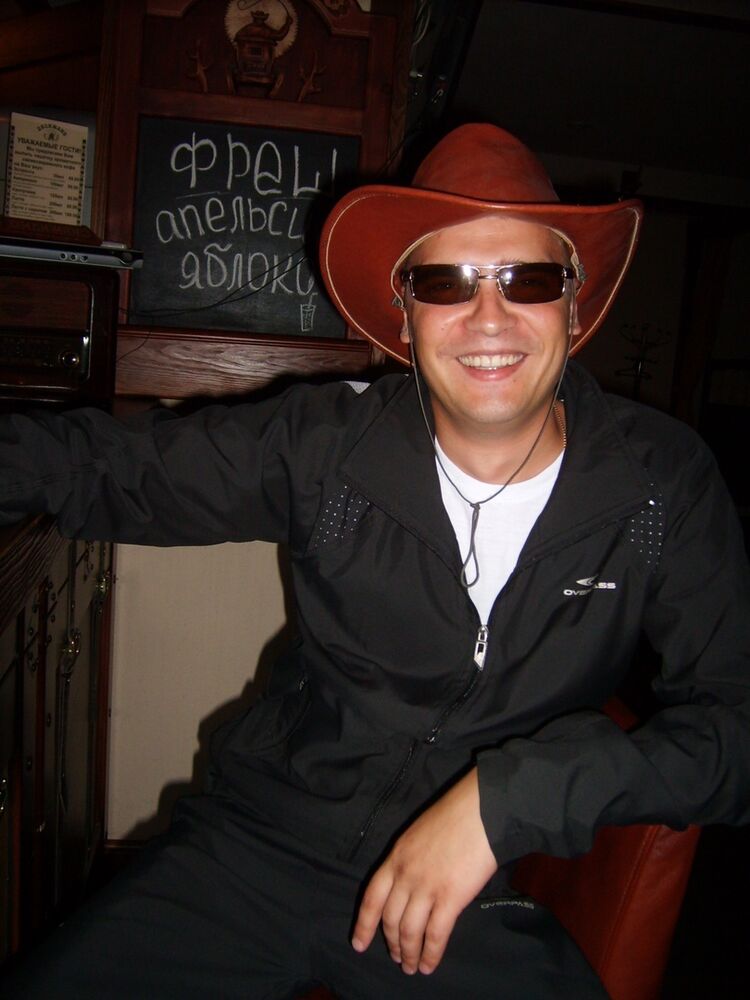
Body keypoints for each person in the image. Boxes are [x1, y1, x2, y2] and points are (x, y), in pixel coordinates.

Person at [1, 124, 749, 999]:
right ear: (404, 315)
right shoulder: (328, 445)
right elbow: (108, 470)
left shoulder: (661, 485)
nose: (490, 317)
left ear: (575, 308)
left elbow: (734, 731)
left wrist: (510, 801)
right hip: (255, 851)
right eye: (446, 282)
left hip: (463, 895)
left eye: (528, 280)